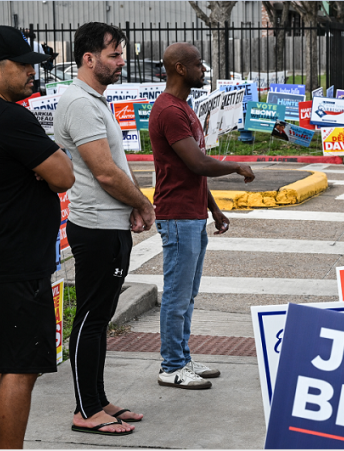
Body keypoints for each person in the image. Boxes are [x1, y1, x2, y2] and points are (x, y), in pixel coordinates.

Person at [0, 25, 74, 449]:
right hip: (14, 263)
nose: (31, 71)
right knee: (20, 369)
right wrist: (49, 162)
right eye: (22, 64)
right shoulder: (10, 116)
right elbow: (63, 175)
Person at [54, 22, 155, 435]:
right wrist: (142, 203)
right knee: (92, 317)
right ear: (88, 58)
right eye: (114, 55)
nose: (122, 61)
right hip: (95, 226)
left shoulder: (94, 100)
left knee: (101, 315)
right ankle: (84, 410)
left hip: (109, 223)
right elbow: (105, 173)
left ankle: (97, 400)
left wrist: (129, 207)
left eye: (121, 54)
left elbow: (114, 168)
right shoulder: (80, 102)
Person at [149, 42, 255, 389]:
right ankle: (171, 366)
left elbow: (192, 171)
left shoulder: (184, 107)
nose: (203, 70)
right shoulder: (169, 111)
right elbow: (197, 163)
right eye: (197, 65)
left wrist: (213, 208)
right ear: (180, 68)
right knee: (177, 296)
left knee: (188, 295)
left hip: (192, 214)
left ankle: (182, 357)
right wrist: (236, 165)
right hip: (178, 217)